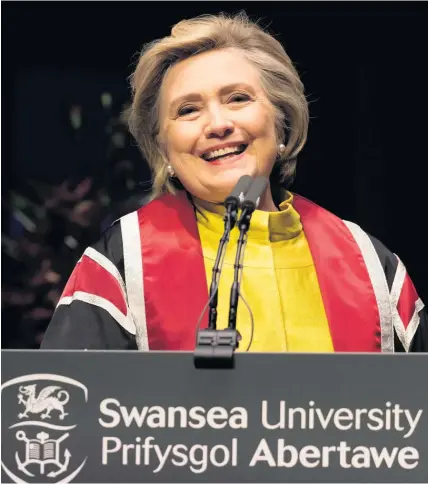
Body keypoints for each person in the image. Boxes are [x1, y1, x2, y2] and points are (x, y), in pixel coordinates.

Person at [41, 12, 427, 352]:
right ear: (163, 148)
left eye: (238, 98)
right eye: (188, 110)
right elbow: (74, 416)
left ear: (280, 120)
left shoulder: (370, 265)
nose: (219, 124)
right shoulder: (121, 262)